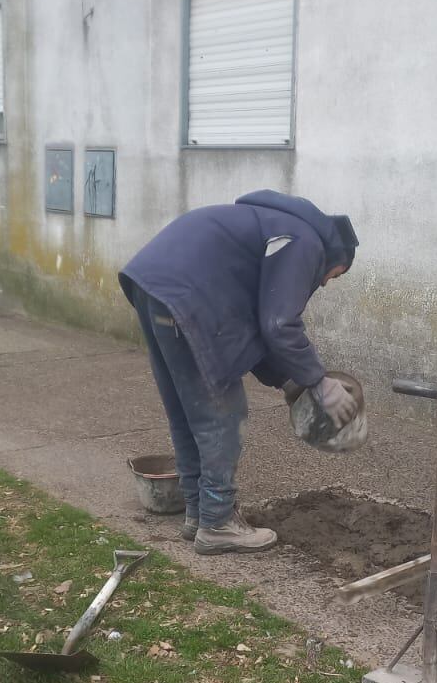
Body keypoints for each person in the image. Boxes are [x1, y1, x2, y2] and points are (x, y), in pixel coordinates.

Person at [120, 191, 359, 555]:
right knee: (222, 414)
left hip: (151, 285)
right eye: (335, 276)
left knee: (188, 411)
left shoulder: (272, 224)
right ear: (336, 257)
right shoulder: (307, 241)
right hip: (186, 295)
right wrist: (318, 380)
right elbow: (279, 324)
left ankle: (198, 514)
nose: (326, 282)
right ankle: (217, 524)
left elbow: (258, 329)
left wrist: (289, 381)